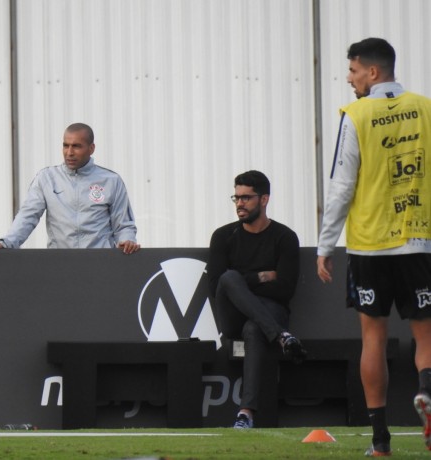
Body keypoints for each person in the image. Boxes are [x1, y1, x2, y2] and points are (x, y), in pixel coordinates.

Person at [317, 37, 431, 456]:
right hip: (418, 240)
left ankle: (380, 442)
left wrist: (325, 245)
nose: (349, 80)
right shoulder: (426, 108)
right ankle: (426, 392)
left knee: (373, 339)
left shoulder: (356, 114)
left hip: (369, 246)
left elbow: (341, 186)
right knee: (426, 334)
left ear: (372, 72)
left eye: (352, 71)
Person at [207, 170, 306, 429]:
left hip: (272, 311)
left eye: (247, 198)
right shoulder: (223, 236)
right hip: (233, 317)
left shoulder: (285, 237)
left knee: (254, 327)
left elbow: (285, 289)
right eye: (236, 197)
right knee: (228, 278)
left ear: (264, 199)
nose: (240, 203)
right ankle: (282, 337)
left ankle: (246, 413)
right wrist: (262, 277)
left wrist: (243, 284)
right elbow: (216, 285)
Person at [0, 123, 140, 254]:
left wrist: (127, 242)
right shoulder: (46, 178)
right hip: (59, 265)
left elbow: (124, 225)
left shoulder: (111, 181)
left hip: (100, 264)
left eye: (77, 146)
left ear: (91, 148)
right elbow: (27, 216)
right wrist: (6, 243)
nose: (69, 152)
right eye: (66, 145)